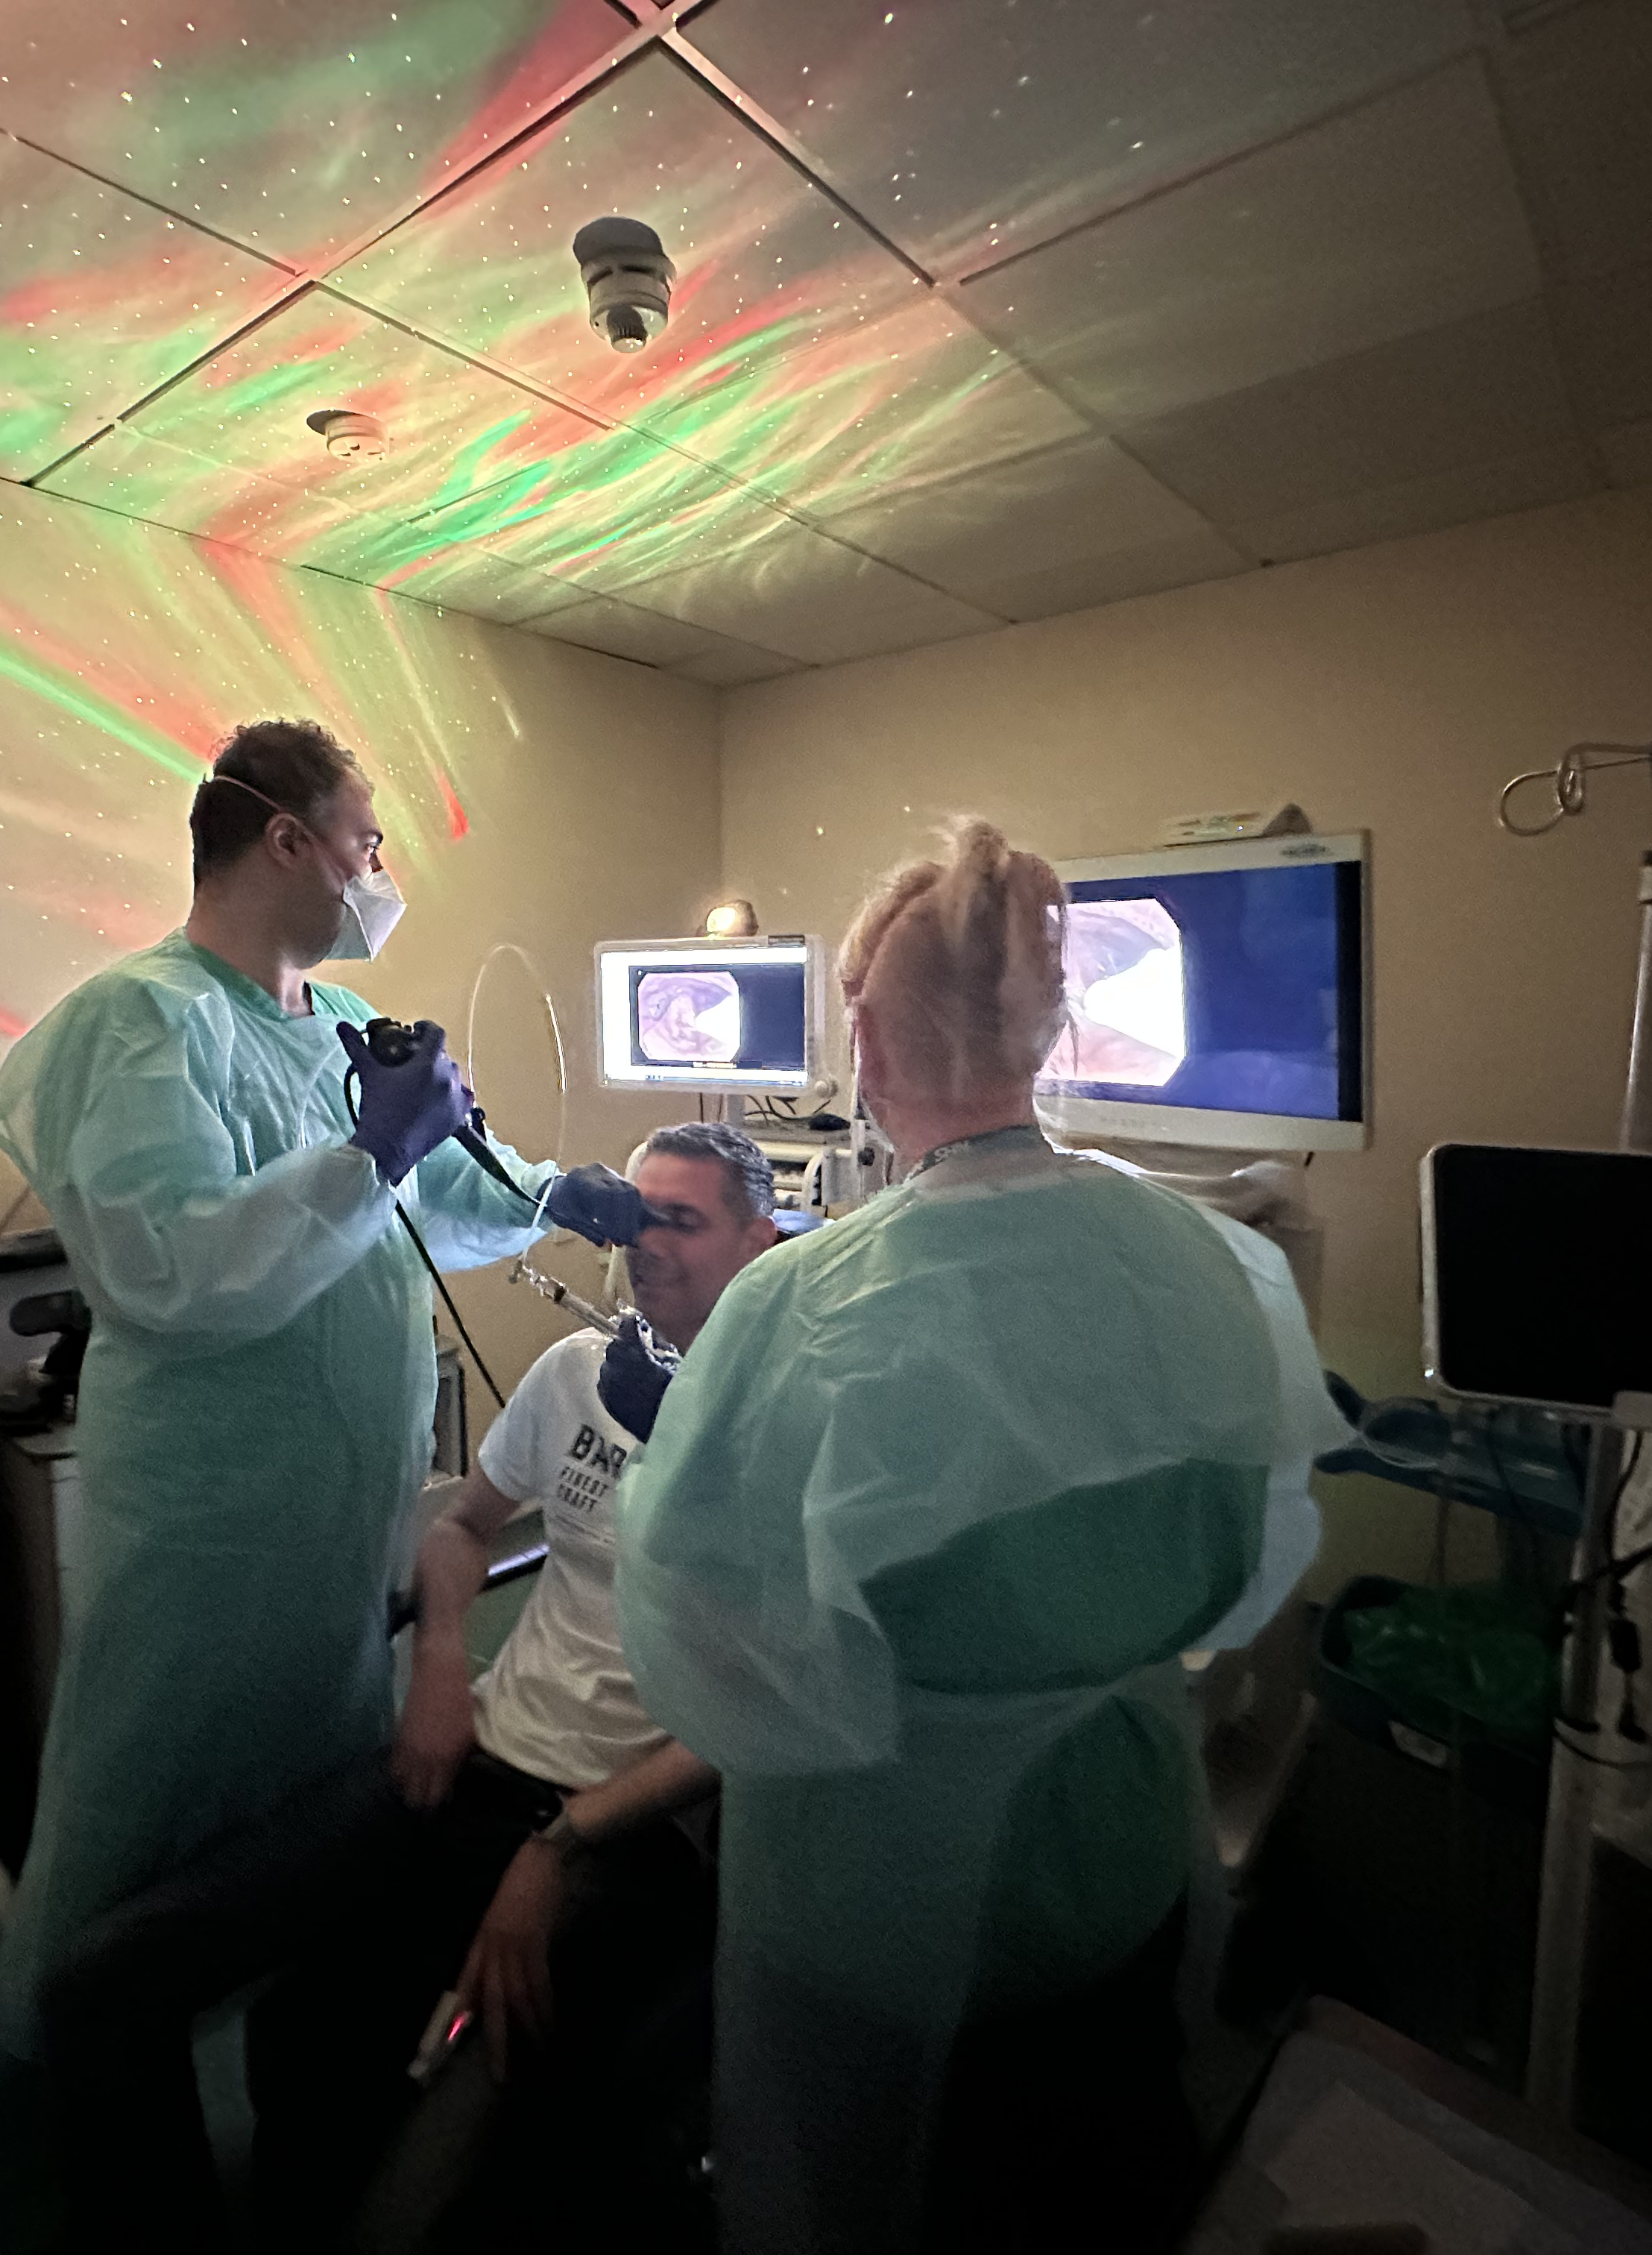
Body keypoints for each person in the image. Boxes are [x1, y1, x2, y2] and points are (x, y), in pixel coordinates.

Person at [0, 722, 645, 2251]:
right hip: (206, 1542)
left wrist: (550, 1194)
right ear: (283, 840)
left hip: (334, 1555)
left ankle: (296, 2148)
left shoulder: (344, 1028)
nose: (379, 873)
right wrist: (370, 1160)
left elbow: (441, 1201)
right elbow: (178, 1274)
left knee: (311, 1876)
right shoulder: (135, 1027)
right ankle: (22, 2209)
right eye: (368, 841)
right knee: (114, 1897)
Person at [614, 822, 1344, 2255]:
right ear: (1049, 1026)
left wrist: (675, 1441)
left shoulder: (797, 1303)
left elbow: (701, 1649)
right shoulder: (1215, 1263)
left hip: (876, 1888)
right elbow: (1258, 1556)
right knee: (1089, 2186)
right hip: (1120, 1849)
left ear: (868, 1047)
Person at [244, 1120, 784, 2248]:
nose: (646, 1243)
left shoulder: (780, 1431)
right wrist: (444, 1657)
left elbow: (763, 1714)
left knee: (439, 2187)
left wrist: (562, 1846)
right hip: (482, 1757)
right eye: (637, 1216)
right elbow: (465, 1528)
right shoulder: (578, 1371)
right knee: (303, 2019)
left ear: (757, 1242)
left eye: (681, 1220)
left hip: (626, 1824)